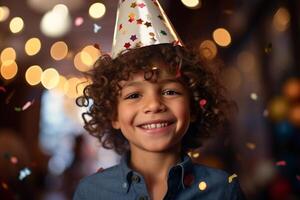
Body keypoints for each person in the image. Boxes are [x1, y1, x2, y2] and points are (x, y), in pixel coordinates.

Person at [74, 0, 246, 199]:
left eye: (170, 92)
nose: (154, 105)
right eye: (134, 95)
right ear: (114, 114)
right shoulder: (90, 193)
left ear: (194, 105)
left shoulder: (223, 190)